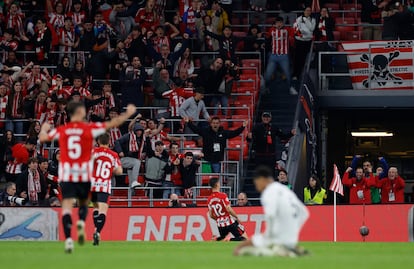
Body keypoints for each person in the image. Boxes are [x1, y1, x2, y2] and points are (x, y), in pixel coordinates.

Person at [38, 101, 136, 253]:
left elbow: (44, 138)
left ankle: (69, 239)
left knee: (68, 208)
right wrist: (128, 113)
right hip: (96, 182)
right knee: (99, 209)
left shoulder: (64, 130)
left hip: (71, 175)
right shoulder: (90, 131)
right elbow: (118, 171)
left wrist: (44, 127)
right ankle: (94, 229)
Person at [234, 166, 309, 257]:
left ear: (262, 179)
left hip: (278, 237)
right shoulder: (284, 189)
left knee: (252, 252)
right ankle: (290, 249)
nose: (257, 187)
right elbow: (304, 213)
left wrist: (269, 234)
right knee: (264, 244)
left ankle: (286, 251)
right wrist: (292, 230)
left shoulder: (269, 192)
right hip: (291, 238)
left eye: (256, 183)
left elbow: (270, 215)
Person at [90, 133, 122, 246]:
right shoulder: (113, 154)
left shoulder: (93, 152)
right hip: (104, 184)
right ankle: (97, 231)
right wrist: (110, 171)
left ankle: (95, 229)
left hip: (92, 184)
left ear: (98, 141)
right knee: (103, 210)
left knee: (95, 209)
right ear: (109, 142)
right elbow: (119, 171)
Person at [208, 177, 247, 241]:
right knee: (243, 239)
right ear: (217, 184)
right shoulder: (223, 195)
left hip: (220, 225)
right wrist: (236, 217)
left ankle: (216, 239)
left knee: (222, 239)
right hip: (229, 222)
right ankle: (229, 239)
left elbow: (211, 215)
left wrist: (218, 219)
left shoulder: (209, 199)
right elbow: (228, 209)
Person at [264, 17, 296, 95]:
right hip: (273, 56)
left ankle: (291, 88)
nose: (279, 24)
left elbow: (294, 35)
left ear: (283, 23)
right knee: (267, 75)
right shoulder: (271, 30)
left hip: (284, 56)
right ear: (275, 24)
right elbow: (268, 38)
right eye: (277, 23)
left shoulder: (288, 30)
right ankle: (266, 88)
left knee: (287, 73)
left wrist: (292, 40)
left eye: (280, 22)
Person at [114, 123, 146, 188]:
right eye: (137, 130)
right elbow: (117, 142)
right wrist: (120, 151)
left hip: (130, 161)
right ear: (134, 131)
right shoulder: (128, 136)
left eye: (140, 131)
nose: (139, 132)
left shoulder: (142, 139)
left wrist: (143, 153)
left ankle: (131, 194)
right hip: (121, 159)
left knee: (132, 183)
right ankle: (134, 181)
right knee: (137, 162)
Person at [292, 7, 315, 83]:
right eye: (307, 10)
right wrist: (306, 33)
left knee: (305, 59)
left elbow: (311, 29)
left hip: (308, 42)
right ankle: (295, 75)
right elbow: (297, 29)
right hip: (299, 41)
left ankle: (303, 76)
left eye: (309, 10)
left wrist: (305, 31)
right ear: (304, 11)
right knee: (297, 59)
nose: (308, 12)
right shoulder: (299, 19)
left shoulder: (313, 20)